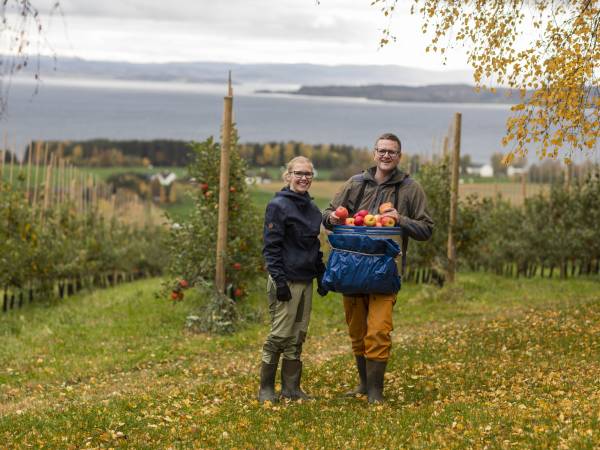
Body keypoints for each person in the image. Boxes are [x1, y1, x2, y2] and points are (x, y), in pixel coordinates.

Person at [322, 133, 433, 404]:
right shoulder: (355, 183)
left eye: (391, 152)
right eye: (381, 151)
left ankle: (376, 393)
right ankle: (363, 384)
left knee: (379, 331)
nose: (386, 156)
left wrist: (401, 219)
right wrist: (334, 216)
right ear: (374, 154)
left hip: (386, 273)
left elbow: (427, 229)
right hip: (352, 270)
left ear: (399, 157)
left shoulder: (410, 189)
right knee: (357, 331)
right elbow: (327, 215)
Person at [258, 156, 328, 403]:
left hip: (305, 280)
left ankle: (291, 389)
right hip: (285, 280)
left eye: (308, 174)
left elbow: (314, 246)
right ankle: (266, 388)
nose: (303, 178)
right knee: (279, 335)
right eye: (298, 173)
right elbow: (271, 248)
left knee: (298, 335)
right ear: (288, 176)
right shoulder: (278, 206)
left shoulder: (312, 209)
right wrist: (279, 281)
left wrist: (321, 275)